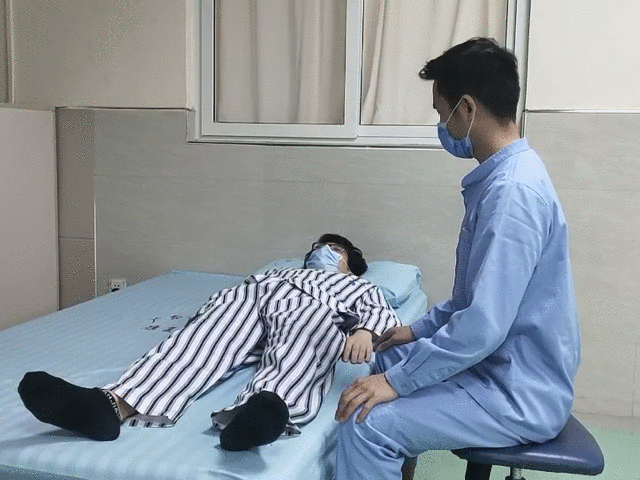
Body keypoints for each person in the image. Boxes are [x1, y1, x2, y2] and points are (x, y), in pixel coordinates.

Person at [334, 38, 581, 480]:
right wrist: (414, 330)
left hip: (517, 392)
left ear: (466, 109)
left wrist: (394, 384)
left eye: (441, 113)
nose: (442, 126)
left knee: (366, 424)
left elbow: (482, 325)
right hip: (498, 366)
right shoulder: (504, 178)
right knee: (383, 359)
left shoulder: (512, 193)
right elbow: (473, 300)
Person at [19, 233, 400, 451]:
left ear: (351, 262)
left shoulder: (359, 285)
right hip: (253, 296)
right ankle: (110, 405)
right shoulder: (276, 273)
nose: (323, 251)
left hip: (316, 308)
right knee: (199, 342)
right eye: (319, 246)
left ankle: (258, 417)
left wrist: (363, 331)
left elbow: (383, 317)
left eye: (335, 249)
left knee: (301, 347)